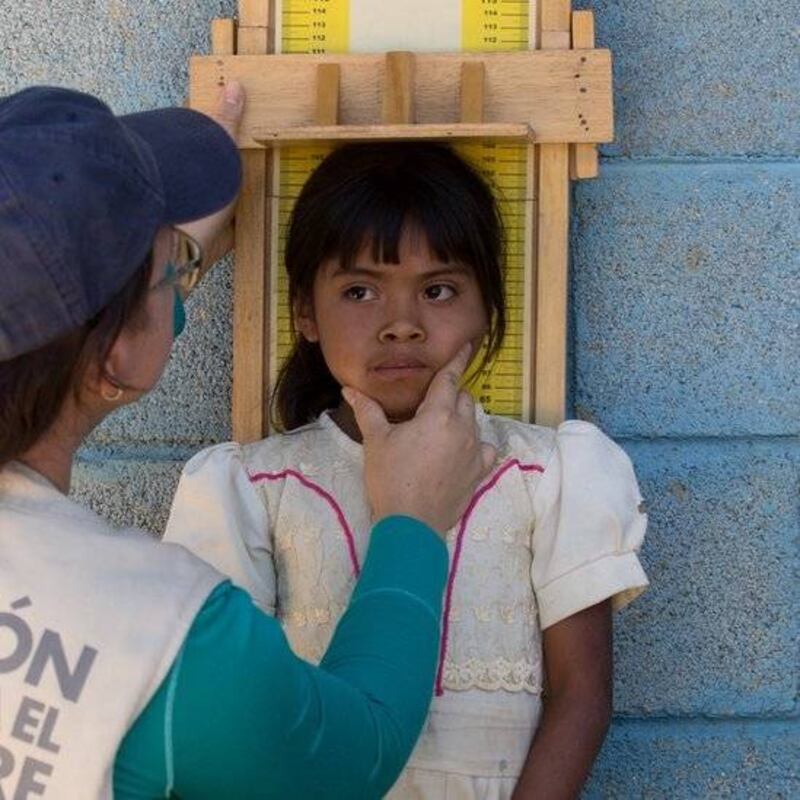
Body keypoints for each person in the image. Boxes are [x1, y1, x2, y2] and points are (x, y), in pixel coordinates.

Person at [0, 87, 497, 799]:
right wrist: (413, 522)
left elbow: (71, 354)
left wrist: (157, 281)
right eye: (171, 272)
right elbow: (356, 756)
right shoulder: (161, 636)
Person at [164, 142, 651, 799]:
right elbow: (232, 715)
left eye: (438, 290)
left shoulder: (550, 475)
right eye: (359, 291)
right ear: (305, 311)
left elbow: (581, 696)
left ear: (487, 308)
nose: (402, 325)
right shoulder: (251, 488)